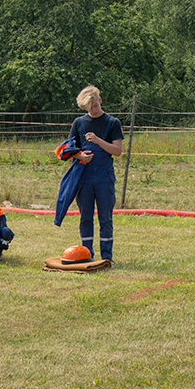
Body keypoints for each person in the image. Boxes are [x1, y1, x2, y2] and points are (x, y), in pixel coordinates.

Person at [68, 85, 123, 261]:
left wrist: (98, 141)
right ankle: (86, 254)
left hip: (104, 179)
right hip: (84, 179)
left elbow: (117, 150)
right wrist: (80, 156)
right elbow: (69, 150)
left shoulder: (113, 123)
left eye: (95, 106)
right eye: (89, 108)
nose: (93, 110)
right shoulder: (78, 123)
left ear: (99, 100)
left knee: (105, 218)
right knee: (85, 218)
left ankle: (107, 257)